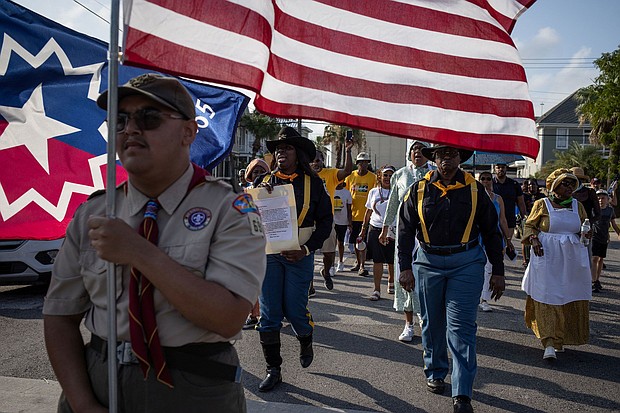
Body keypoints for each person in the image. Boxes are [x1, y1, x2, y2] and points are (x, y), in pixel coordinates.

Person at [42, 73, 266, 413]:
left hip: (192, 389)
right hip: (99, 382)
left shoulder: (229, 208)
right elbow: (59, 316)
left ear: (188, 132)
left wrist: (138, 251)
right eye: (120, 119)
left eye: (149, 118)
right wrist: (83, 404)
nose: (130, 129)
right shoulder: (95, 212)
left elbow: (228, 317)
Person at [398, 145, 505, 413]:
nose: (447, 159)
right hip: (428, 262)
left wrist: (499, 271)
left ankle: (462, 392)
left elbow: (492, 232)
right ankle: (435, 370)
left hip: (466, 263)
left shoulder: (474, 189)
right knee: (432, 323)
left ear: (460, 159)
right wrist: (404, 267)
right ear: (434, 159)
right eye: (442, 154)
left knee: (462, 328)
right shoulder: (418, 190)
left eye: (453, 154)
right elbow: (405, 230)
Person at [256, 127, 333, 392]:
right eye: (278, 148)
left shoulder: (314, 184)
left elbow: (325, 222)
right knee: (269, 315)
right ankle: (273, 369)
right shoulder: (264, 183)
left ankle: (305, 336)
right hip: (270, 256)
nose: (280, 152)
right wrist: (256, 198)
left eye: (286, 148)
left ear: (298, 154)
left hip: (300, 255)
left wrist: (307, 249)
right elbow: (246, 216)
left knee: (295, 311)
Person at [521, 168, 592, 361]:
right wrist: (533, 240)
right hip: (546, 257)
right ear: (554, 186)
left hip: (571, 259)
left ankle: (561, 338)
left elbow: (584, 227)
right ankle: (549, 342)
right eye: (565, 183)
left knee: (568, 295)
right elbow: (529, 226)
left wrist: (587, 234)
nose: (570, 187)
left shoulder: (577, 206)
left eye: (572, 184)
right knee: (548, 295)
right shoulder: (541, 204)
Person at [379, 140, 432, 342]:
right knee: (405, 274)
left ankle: (425, 319)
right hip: (404, 235)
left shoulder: (434, 174)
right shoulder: (400, 175)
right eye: (414, 150)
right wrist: (385, 229)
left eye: (421, 150)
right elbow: (393, 202)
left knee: (426, 277)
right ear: (409, 155)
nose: (417, 153)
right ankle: (408, 324)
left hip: (428, 235)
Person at [310, 141, 353, 292]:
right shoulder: (305, 175)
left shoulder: (330, 174)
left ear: (323, 161)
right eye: (312, 160)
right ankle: (310, 286)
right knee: (308, 255)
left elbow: (347, 171)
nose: (315, 163)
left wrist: (347, 151)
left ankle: (326, 271)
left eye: (318, 160)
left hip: (327, 221)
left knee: (329, 254)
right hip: (308, 222)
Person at [242, 158, 272, 330]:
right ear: (249, 175)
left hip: (272, 244)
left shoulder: (273, 190)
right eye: (256, 172)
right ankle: (253, 315)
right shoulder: (244, 192)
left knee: (268, 283)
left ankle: (268, 316)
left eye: (262, 172)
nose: (259, 175)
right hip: (250, 245)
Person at [477, 171, 513, 312]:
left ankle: (484, 299)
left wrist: (507, 238)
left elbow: (502, 219)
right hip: (477, 236)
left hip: (493, 236)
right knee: (477, 267)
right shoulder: (475, 196)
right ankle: (476, 295)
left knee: (489, 268)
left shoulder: (498, 199)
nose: (485, 181)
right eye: (482, 178)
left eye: (488, 178)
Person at [361, 165, 396, 301]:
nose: (387, 178)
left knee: (392, 260)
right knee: (378, 260)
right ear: (380, 176)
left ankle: (391, 281)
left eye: (390, 175)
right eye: (385, 175)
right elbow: (368, 211)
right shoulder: (374, 192)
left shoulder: (397, 191)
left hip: (392, 230)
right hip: (375, 228)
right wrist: (363, 229)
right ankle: (376, 289)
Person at [345, 152, 377, 276]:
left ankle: (362, 266)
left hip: (367, 216)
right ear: (357, 163)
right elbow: (346, 195)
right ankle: (358, 263)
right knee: (355, 241)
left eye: (365, 162)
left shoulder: (373, 177)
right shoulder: (350, 176)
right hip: (353, 215)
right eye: (361, 162)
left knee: (363, 241)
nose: (363, 164)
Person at [591, 189, 620, 292]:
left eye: (603, 198)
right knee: (594, 258)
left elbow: (613, 224)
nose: (600, 200)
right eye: (598, 198)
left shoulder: (610, 210)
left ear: (608, 200)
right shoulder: (593, 209)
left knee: (600, 259)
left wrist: (618, 233)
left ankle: (597, 279)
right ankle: (594, 281)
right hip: (594, 236)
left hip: (604, 237)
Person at [493, 163, 527, 242]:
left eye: (503, 167)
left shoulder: (514, 184)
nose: (500, 169)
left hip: (509, 219)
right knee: (494, 244)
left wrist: (524, 218)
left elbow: (521, 202)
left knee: (506, 243)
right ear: (494, 169)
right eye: (498, 167)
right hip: (493, 218)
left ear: (506, 168)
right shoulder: (490, 183)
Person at [333, 181, 353, 273]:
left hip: (342, 221)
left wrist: (349, 222)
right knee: (332, 244)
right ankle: (331, 265)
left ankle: (340, 262)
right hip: (332, 221)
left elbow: (349, 209)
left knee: (340, 243)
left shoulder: (347, 193)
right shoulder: (331, 190)